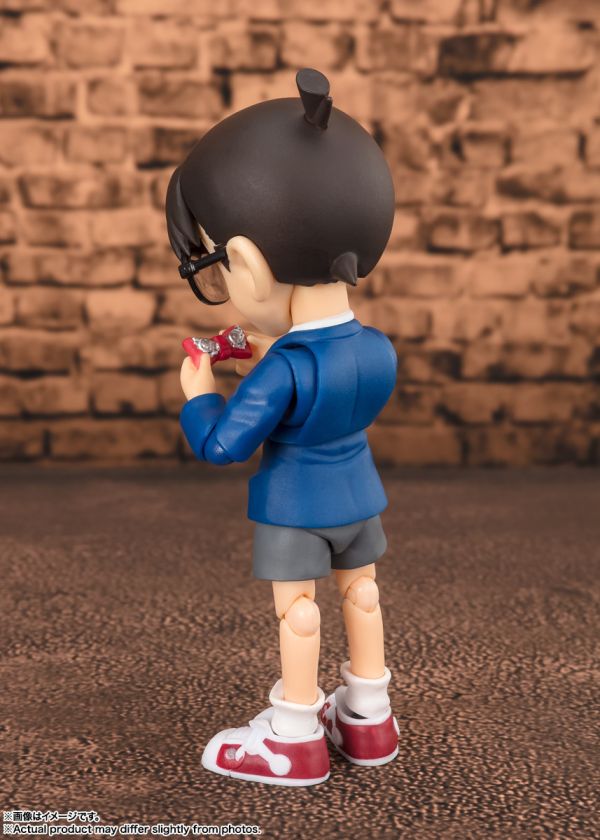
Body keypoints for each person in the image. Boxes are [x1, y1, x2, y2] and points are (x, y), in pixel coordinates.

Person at [166, 68, 399, 786]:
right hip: (361, 498)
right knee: (362, 594)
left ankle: (294, 734)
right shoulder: (377, 349)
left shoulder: (281, 373)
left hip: (296, 509)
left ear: (245, 263)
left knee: (298, 612)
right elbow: (326, 377)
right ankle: (369, 718)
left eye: (216, 266)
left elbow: (223, 446)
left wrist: (201, 394)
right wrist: (273, 352)